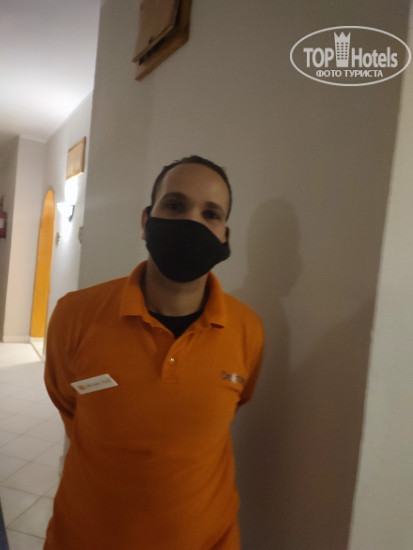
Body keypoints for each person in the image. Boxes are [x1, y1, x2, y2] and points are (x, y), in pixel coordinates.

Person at [44, 155, 264, 550]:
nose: (191, 223)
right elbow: (66, 400)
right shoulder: (74, 315)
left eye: (210, 214)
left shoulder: (248, 329)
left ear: (224, 237)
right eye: (175, 205)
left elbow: (234, 404)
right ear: (147, 221)